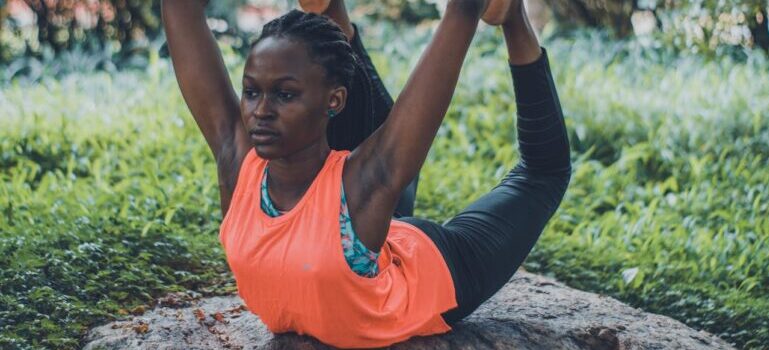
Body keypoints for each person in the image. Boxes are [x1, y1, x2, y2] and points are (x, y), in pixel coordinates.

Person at [161, 0, 570, 348]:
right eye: (251, 91)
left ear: (336, 99)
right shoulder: (240, 164)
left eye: (284, 95)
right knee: (367, 182)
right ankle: (327, 8)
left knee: (543, 173)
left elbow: (456, 23)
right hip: (363, 230)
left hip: (432, 266)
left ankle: (513, 16)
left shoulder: (362, 184)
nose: (260, 111)